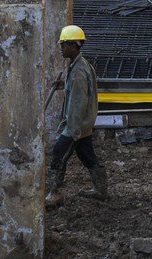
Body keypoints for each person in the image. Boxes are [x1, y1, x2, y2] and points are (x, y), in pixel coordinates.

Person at [45, 25, 107, 208]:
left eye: (64, 44)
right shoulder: (78, 66)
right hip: (84, 124)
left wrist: (71, 131)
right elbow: (77, 91)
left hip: (76, 125)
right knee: (87, 155)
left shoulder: (78, 71)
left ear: (74, 45)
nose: (61, 48)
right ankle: (101, 190)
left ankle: (54, 193)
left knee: (58, 153)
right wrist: (64, 84)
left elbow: (78, 103)